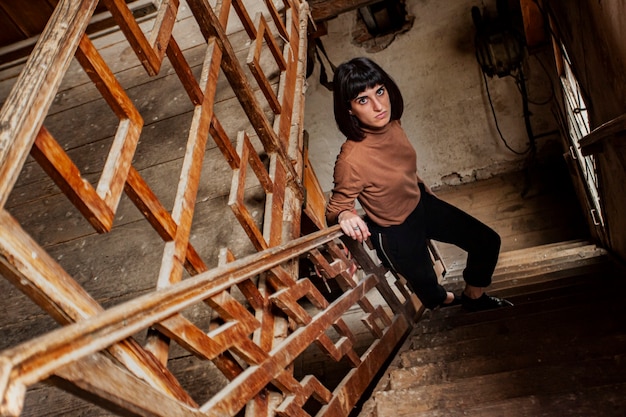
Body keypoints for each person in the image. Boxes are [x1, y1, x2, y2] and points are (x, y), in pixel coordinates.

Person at [325, 57, 513, 312]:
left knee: (487, 241)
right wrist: (346, 214)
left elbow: (398, 161)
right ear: (349, 110)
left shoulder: (393, 124)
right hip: (395, 231)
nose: (378, 105)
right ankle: (444, 302)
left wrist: (417, 182)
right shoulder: (350, 159)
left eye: (379, 91)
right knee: (428, 286)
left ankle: (474, 298)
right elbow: (335, 208)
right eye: (362, 100)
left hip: (421, 204)